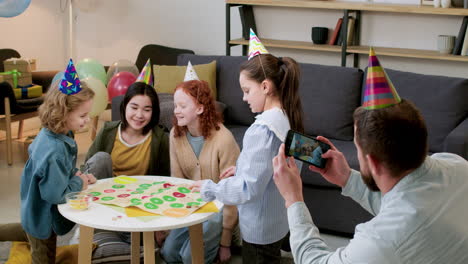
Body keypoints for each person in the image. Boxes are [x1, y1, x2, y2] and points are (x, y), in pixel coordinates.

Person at [271, 49, 468, 264]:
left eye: (356, 147)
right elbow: (403, 203)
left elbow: (314, 261)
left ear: (372, 161)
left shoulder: (380, 243)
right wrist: (347, 178)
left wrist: (293, 199)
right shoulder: (458, 165)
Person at [191, 29, 304, 263]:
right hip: (278, 220)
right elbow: (275, 167)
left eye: (246, 90)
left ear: (265, 86)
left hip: (260, 229)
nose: (244, 98)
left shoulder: (261, 129)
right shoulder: (288, 117)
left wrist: (211, 188)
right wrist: (242, 168)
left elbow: (247, 190)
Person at [20, 59, 96, 264]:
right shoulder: (54, 150)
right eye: (83, 115)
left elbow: (59, 172)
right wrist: (79, 183)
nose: (87, 120)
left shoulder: (52, 133)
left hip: (34, 207)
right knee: (44, 257)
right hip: (40, 217)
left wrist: (75, 175)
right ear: (63, 112)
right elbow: (55, 194)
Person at [161, 75, 240, 263]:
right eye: (175, 106)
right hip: (191, 205)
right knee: (169, 254)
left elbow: (232, 194)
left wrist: (225, 243)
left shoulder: (224, 139)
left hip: (219, 208)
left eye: (182, 106)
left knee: (190, 258)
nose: (176, 111)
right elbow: (177, 182)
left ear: (200, 108)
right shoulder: (175, 134)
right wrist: (170, 223)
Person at [85, 81, 170, 179]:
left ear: (153, 112)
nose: (139, 115)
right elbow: (89, 165)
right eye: (134, 108)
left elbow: (165, 177)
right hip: (107, 190)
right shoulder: (107, 130)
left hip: (143, 191)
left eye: (146, 110)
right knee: (101, 158)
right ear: (125, 106)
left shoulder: (160, 138)